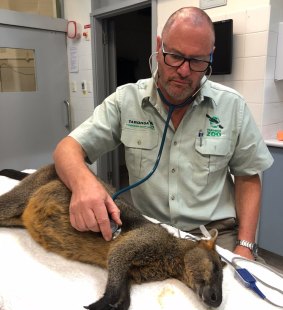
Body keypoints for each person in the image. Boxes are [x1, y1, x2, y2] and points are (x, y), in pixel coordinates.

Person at [53, 7, 273, 260]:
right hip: (151, 232)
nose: (183, 70)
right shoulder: (127, 100)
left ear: (210, 57)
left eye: (197, 61)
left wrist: (245, 245)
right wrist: (84, 184)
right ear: (159, 48)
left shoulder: (232, 106)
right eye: (175, 56)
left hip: (215, 234)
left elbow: (248, 177)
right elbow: (67, 149)